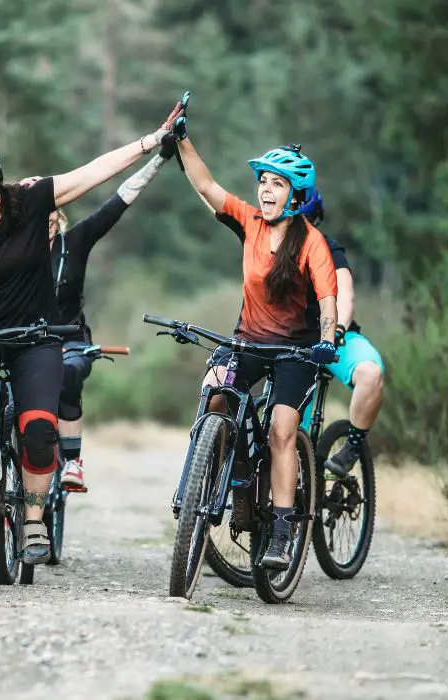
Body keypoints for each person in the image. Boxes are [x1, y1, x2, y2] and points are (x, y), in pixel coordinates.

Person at [0, 116, 174, 565]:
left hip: (38, 334)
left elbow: (93, 172)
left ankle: (34, 517)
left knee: (39, 429)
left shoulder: (32, 201)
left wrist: (148, 143)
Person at [173, 129, 339, 572]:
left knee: (281, 430)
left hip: (296, 352)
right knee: (214, 393)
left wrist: (326, 341)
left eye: (277, 183)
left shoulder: (311, 243)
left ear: (296, 194)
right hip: (247, 341)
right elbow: (207, 187)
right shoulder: (248, 221)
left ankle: (282, 531)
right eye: (263, 181)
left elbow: (327, 301)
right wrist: (182, 141)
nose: (266, 189)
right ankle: (228, 484)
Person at [17, 150, 173, 491]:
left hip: (70, 338)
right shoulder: (10, 248)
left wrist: (159, 158)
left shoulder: (75, 242)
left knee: (68, 372)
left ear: (59, 214)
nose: (44, 220)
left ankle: (72, 461)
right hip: (22, 339)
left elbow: (120, 200)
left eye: (50, 213)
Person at [290, 192, 386, 475]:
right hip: (289, 344)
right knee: (286, 435)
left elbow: (345, 295)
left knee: (370, 374)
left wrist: (337, 330)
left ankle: (351, 449)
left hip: (333, 337)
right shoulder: (265, 245)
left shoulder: (328, 249)